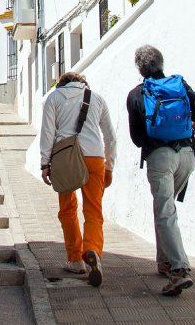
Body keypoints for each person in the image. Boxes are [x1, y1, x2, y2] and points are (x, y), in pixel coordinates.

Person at [127, 45, 195, 297]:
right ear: (161, 63)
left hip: (160, 157)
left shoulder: (137, 94)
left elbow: (138, 138)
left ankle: (179, 269)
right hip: (186, 155)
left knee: (165, 210)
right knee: (166, 209)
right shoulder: (180, 84)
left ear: (140, 69)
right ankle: (164, 262)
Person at [40, 71, 116, 287]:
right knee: (93, 210)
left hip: (66, 157)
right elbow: (110, 136)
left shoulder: (53, 98)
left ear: (62, 84)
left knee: (67, 208)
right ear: (82, 84)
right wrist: (109, 166)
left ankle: (75, 259)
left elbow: (47, 132)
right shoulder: (97, 98)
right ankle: (92, 249)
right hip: (94, 157)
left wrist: (45, 163)